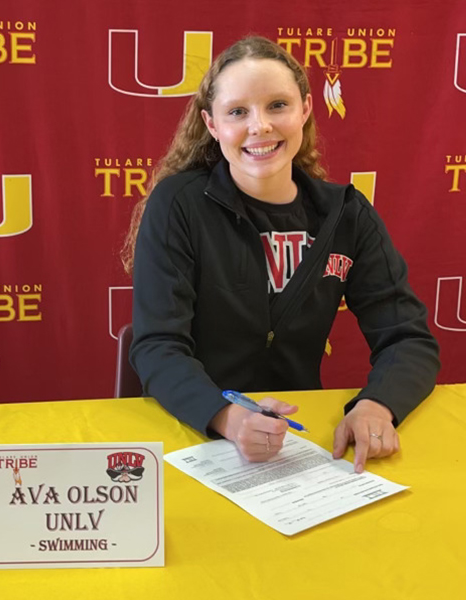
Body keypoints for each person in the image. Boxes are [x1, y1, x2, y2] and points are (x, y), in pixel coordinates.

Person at [122, 36, 440, 473]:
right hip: (195, 433)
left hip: (300, 443)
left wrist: (377, 405)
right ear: (212, 125)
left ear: (306, 110)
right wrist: (228, 419)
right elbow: (158, 345)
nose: (260, 126)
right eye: (237, 112)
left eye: (277, 105)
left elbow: (407, 339)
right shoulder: (178, 205)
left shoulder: (346, 214)